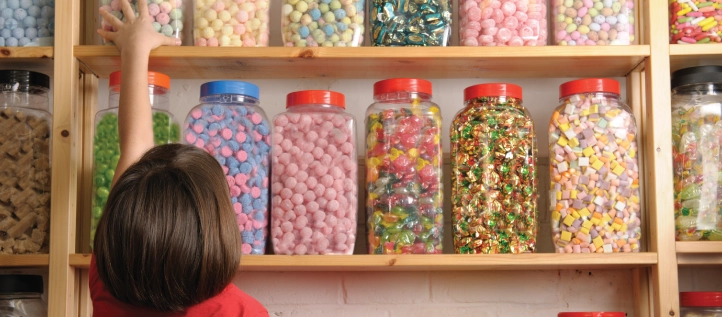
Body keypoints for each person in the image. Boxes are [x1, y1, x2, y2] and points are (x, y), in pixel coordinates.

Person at [90, 1, 269, 316]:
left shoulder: (109, 281)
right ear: (220, 230)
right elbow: (135, 146)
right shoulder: (241, 311)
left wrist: (134, 48)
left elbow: (134, 143)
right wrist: (136, 51)